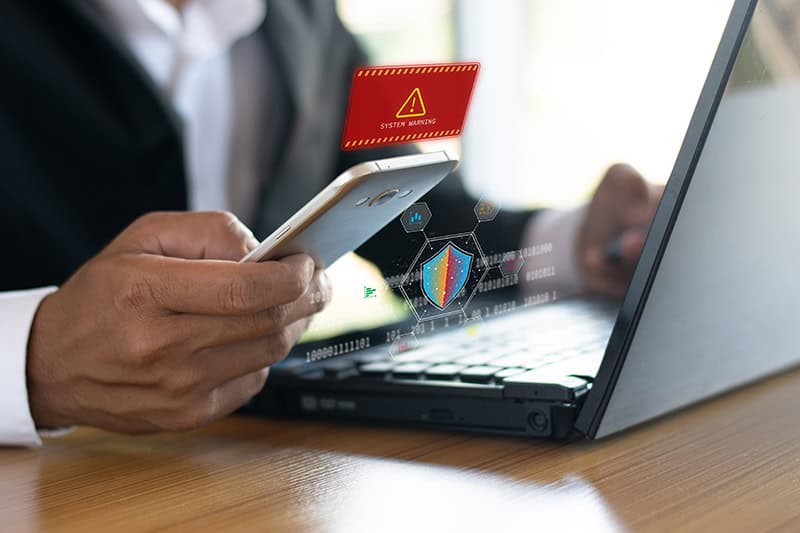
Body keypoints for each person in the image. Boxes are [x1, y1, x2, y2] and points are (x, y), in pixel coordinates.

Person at [0, 0, 661, 446]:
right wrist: (33, 363)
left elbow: (423, 228)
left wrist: (583, 246)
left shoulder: (308, 17)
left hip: (239, 474)